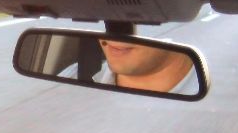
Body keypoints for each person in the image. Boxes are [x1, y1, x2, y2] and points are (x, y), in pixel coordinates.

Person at [61, 37, 199, 95]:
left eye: (137, 14)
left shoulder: (215, 102)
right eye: (103, 11)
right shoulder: (70, 81)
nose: (114, 29)